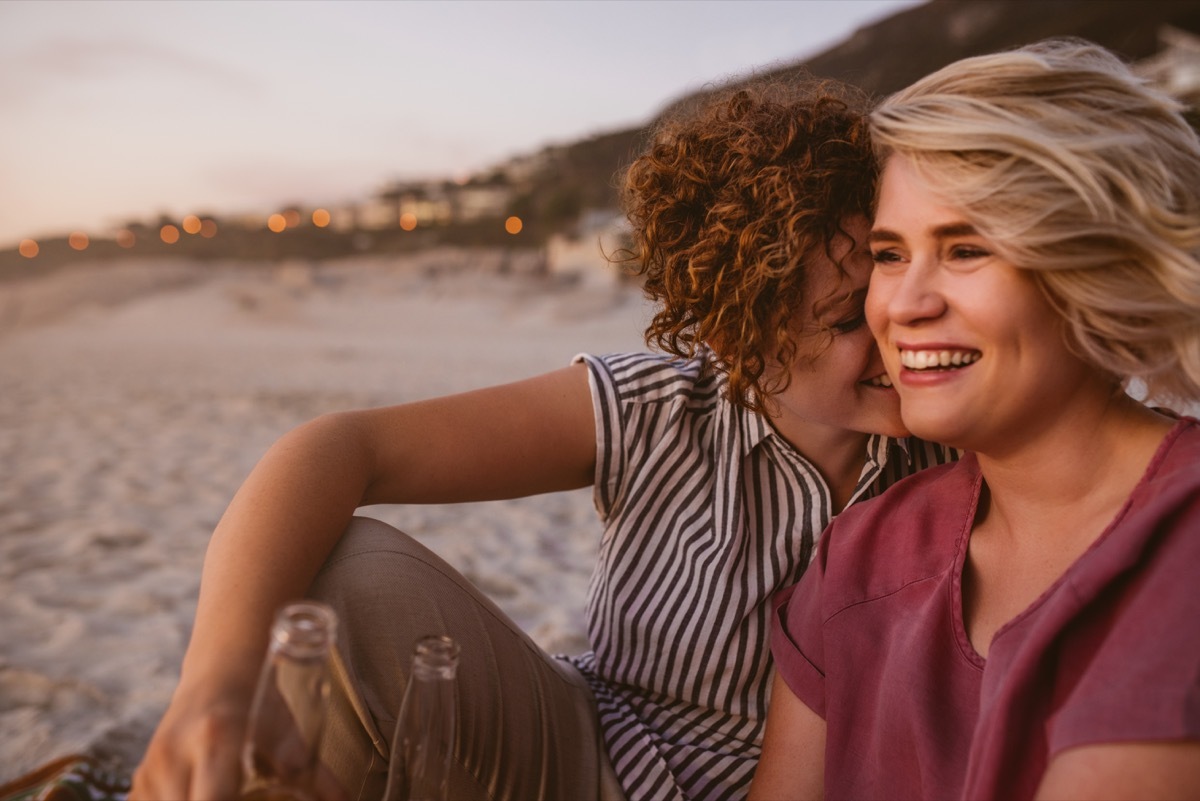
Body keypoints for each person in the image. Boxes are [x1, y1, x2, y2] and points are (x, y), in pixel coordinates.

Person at [130, 77, 953, 801]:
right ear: (739, 336)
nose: (896, 330)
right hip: (583, 756)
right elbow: (340, 447)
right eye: (849, 320)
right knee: (351, 570)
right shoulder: (660, 406)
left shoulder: (953, 439)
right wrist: (213, 684)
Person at [751, 39, 1200, 801]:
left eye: (965, 248)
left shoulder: (1180, 544)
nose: (905, 305)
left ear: (1095, 268)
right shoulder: (859, 556)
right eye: (890, 255)